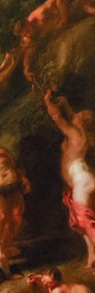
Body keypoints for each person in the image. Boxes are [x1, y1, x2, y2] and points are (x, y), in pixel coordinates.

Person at [43, 88, 95, 268]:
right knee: (81, 224)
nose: (76, 114)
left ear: (82, 120)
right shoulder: (81, 133)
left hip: (81, 179)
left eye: (80, 114)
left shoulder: (74, 133)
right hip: (81, 179)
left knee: (85, 221)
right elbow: (71, 115)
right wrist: (66, 104)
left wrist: (47, 101)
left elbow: (57, 117)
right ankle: (91, 255)